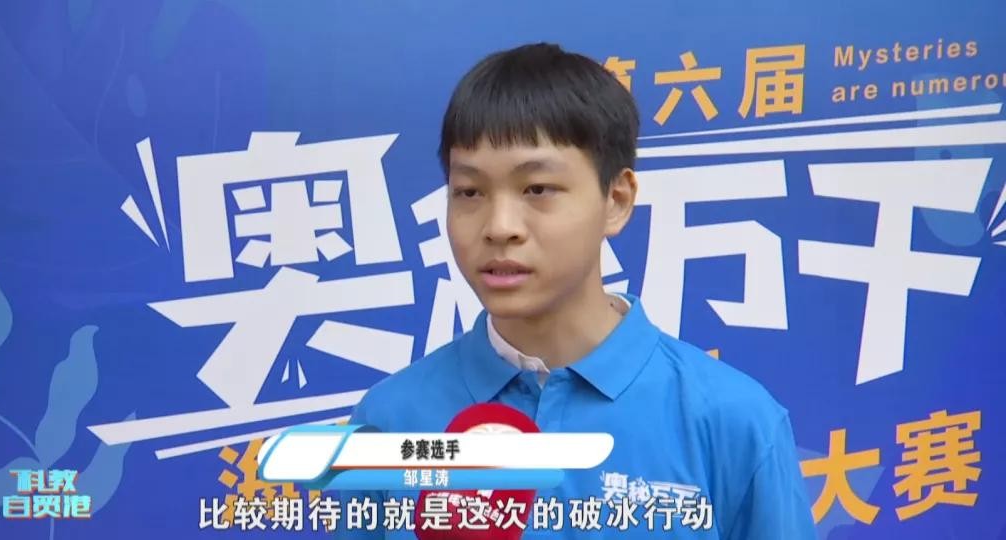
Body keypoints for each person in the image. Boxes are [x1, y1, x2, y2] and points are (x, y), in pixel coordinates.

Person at [334, 42, 816, 539]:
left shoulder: (733, 421)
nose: (499, 227)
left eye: (537, 189)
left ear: (617, 200)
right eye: (470, 192)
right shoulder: (387, 422)